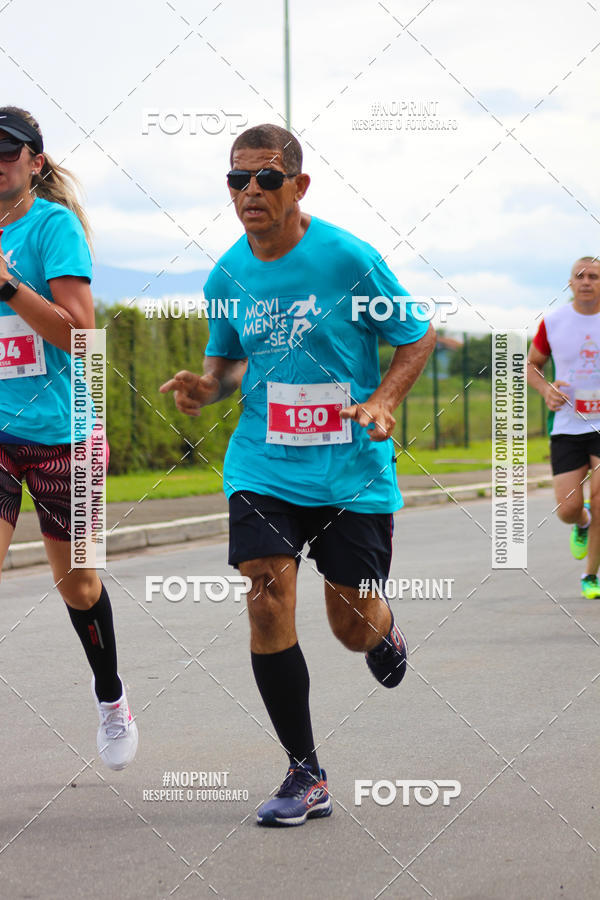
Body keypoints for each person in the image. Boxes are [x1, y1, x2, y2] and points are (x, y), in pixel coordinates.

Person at [161, 124, 434, 826]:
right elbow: (227, 365)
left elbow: (416, 333)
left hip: (350, 472)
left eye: (267, 178)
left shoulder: (346, 258)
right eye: (237, 179)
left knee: (349, 625)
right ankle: (304, 773)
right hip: (263, 462)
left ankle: (383, 632)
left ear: (299, 186)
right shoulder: (225, 273)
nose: (250, 191)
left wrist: (383, 400)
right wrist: (205, 385)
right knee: (265, 591)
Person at [0, 106, 138, 769]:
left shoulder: (53, 229)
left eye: (5, 150)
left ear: (35, 162)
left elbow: (82, 338)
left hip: (66, 434)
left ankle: (110, 694)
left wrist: (7, 285)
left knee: (79, 586)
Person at [527, 256, 600, 598]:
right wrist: (545, 390)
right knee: (568, 509)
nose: (587, 281)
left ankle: (590, 575)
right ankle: (582, 522)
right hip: (569, 424)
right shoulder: (554, 322)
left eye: (594, 276)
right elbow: (532, 366)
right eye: (580, 276)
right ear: (570, 283)